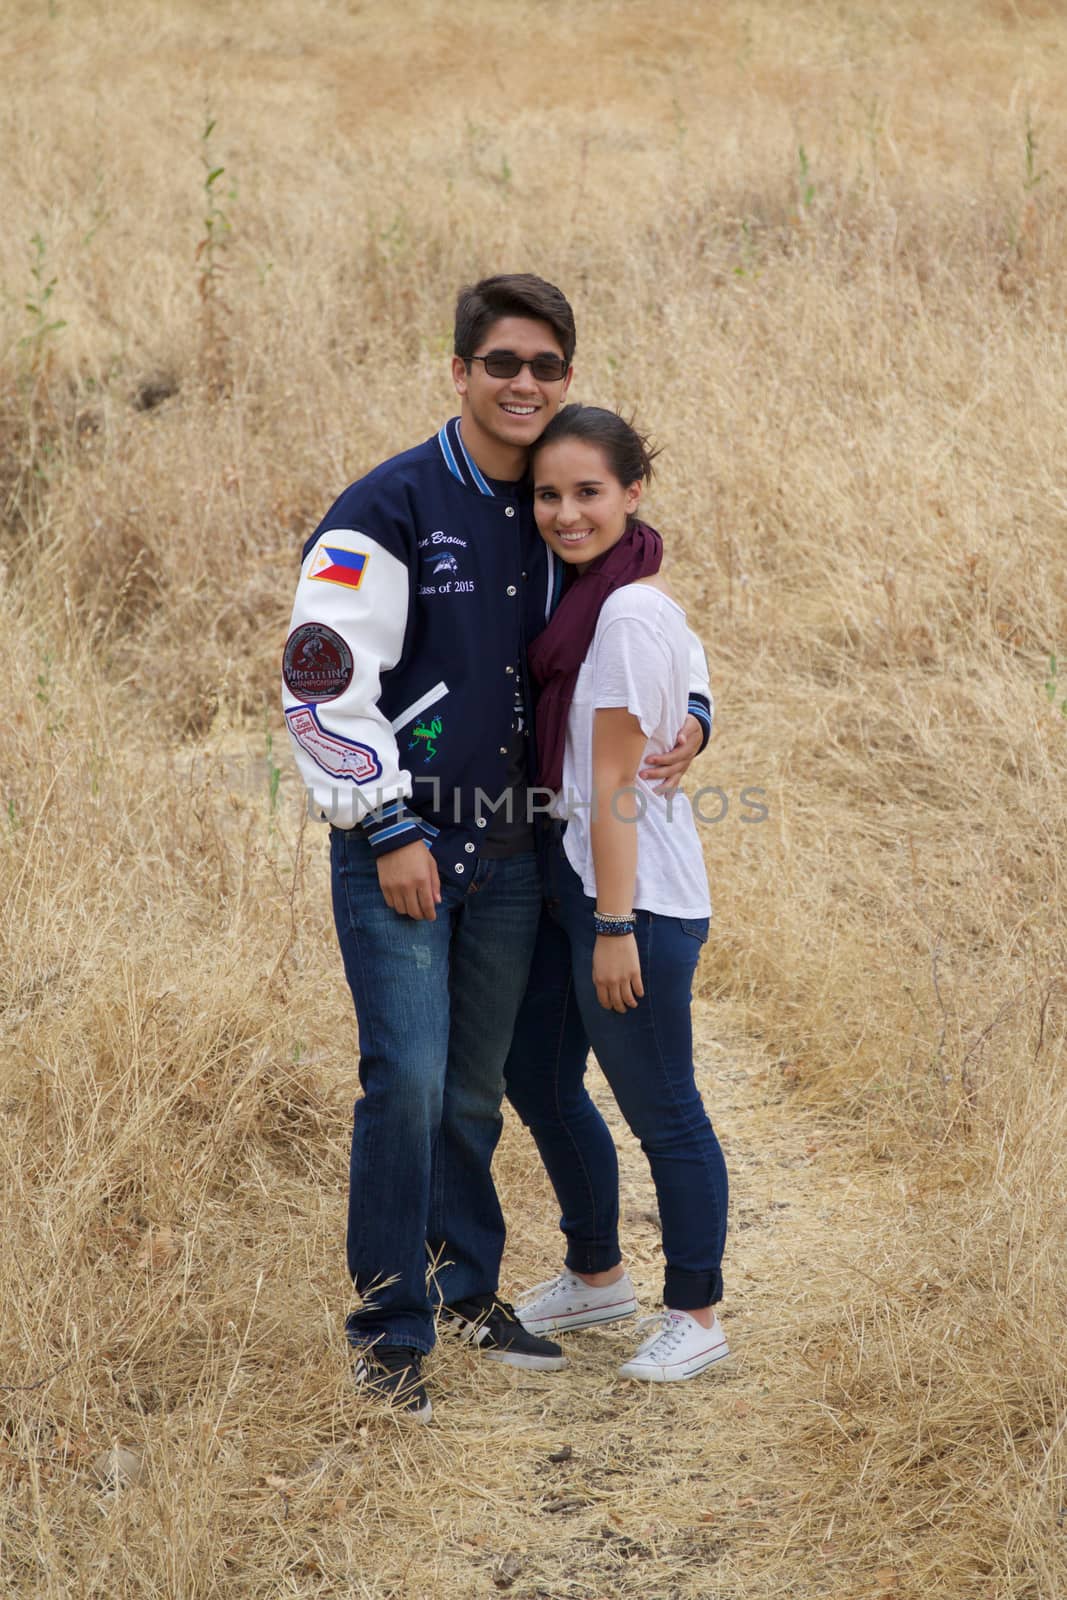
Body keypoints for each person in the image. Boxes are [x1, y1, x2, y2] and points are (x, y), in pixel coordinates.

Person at [282, 276, 712, 1421]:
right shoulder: (386, 508)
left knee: (474, 1090)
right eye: (502, 362)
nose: (524, 383)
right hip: (405, 851)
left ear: (565, 378)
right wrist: (385, 826)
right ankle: (388, 1330)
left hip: (518, 857)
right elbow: (318, 686)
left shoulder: (555, 503)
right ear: (459, 368)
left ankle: (466, 1289)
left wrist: (699, 713)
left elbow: (642, 606)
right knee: (408, 1079)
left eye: (545, 365)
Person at [504, 404, 730, 1383]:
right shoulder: (594, 591)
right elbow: (691, 670)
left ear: (631, 492)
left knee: (661, 1106)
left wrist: (610, 924)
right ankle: (596, 1271)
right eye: (547, 494)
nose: (564, 512)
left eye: (587, 492)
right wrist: (698, 713)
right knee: (536, 1075)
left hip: (629, 896)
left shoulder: (626, 607)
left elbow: (609, 786)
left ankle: (696, 1308)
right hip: (575, 876)